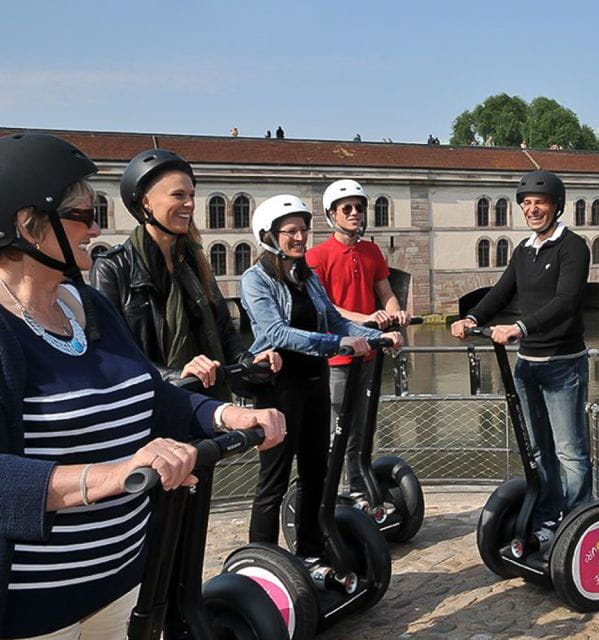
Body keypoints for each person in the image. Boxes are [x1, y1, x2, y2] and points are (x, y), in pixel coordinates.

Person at [0, 132, 285, 639]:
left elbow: (150, 394)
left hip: (124, 581)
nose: (96, 227)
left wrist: (225, 415)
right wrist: (113, 475)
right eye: (83, 215)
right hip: (34, 604)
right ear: (28, 225)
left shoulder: (87, 306)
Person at [241, 194, 401, 555]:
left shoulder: (307, 277)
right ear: (268, 235)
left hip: (314, 382)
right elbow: (277, 333)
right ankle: (261, 562)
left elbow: (335, 319)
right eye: (290, 232)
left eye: (304, 230)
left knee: (317, 474)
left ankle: (310, 552)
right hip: (279, 388)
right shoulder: (256, 280)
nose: (300, 238)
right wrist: (338, 343)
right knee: (274, 480)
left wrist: (378, 337)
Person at [451, 170, 591, 538]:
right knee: (537, 450)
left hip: (563, 364)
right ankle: (547, 515)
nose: (532, 209)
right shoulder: (524, 250)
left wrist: (519, 327)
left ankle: (577, 522)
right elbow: (501, 291)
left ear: (556, 206)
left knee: (569, 452)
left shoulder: (573, 247)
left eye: (539, 203)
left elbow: (566, 302)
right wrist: (472, 317)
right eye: (526, 204)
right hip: (527, 365)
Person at [91, 149, 280, 400]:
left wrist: (250, 361)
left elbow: (224, 331)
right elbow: (115, 354)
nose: (190, 204)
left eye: (191, 195)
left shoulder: (194, 261)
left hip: (209, 401)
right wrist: (176, 374)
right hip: (158, 406)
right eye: (178, 195)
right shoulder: (114, 268)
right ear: (145, 202)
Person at [305, 179, 410, 495]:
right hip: (336, 356)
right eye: (347, 208)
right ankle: (327, 494)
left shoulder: (372, 251)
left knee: (361, 429)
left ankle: (355, 489)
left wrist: (397, 314)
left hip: (368, 353)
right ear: (332, 214)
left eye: (359, 208)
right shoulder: (317, 256)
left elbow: (386, 293)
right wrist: (365, 318)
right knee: (337, 427)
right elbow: (323, 307)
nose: (355, 213)